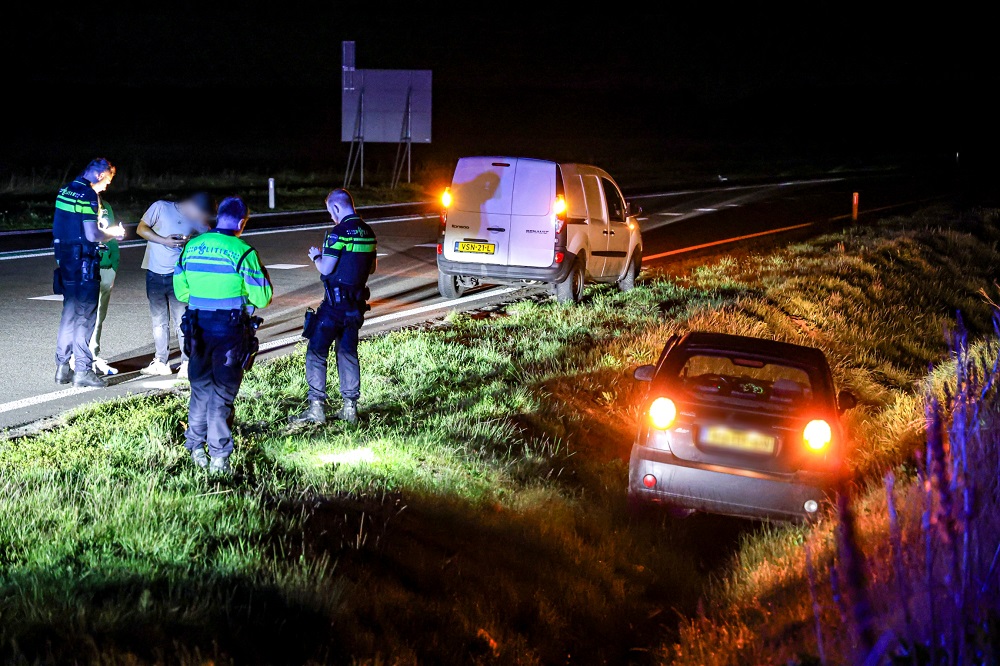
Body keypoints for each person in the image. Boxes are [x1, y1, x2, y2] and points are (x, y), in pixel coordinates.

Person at [173, 196, 272, 473]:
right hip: (229, 330)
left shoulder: (191, 246)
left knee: (200, 389)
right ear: (242, 222)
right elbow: (262, 297)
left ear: (219, 217)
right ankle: (219, 456)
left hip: (196, 327)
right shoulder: (243, 252)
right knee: (222, 392)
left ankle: (194, 446)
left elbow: (182, 292)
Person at [291, 188, 376, 425]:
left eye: (330, 211)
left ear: (337, 208)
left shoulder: (338, 233)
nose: (331, 217)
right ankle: (350, 409)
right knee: (347, 354)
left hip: (333, 307)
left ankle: (316, 409)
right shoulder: (368, 232)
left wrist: (316, 256)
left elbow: (326, 269)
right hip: (355, 307)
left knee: (316, 352)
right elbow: (372, 268)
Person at [52, 157, 124, 388]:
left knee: (69, 314)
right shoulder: (88, 195)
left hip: (65, 261)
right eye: (108, 182)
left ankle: (62, 368)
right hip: (83, 263)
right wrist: (113, 234)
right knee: (85, 317)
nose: (106, 187)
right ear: (101, 175)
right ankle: (83, 370)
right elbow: (93, 235)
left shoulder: (65, 190)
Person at [137, 192, 213, 378]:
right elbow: (141, 229)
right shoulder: (161, 207)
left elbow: (209, 235)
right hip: (154, 274)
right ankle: (160, 361)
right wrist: (165, 241)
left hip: (178, 276)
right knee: (158, 321)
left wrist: (190, 242)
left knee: (182, 321)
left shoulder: (195, 218)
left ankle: (187, 362)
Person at [89, 200, 121, 376]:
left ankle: (94, 355)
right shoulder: (79, 203)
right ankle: (78, 359)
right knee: (82, 317)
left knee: (99, 316)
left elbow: (113, 238)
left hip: (106, 268)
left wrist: (113, 266)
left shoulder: (106, 206)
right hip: (86, 269)